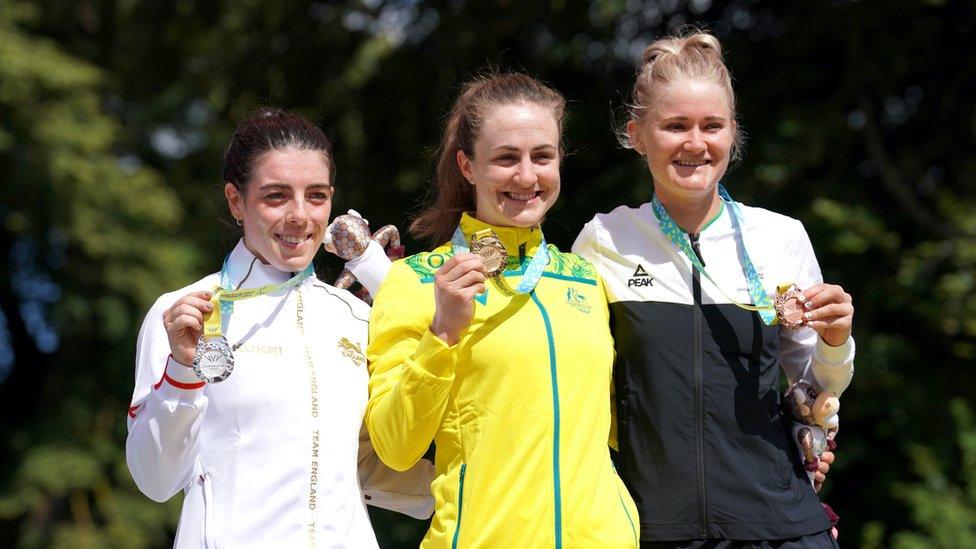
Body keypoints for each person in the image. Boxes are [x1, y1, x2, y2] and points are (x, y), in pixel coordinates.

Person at [572, 31, 854, 547]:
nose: (695, 143)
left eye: (712, 126)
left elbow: (818, 394)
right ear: (637, 135)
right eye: (675, 125)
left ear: (733, 133)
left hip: (781, 526)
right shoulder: (603, 240)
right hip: (653, 528)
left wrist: (837, 342)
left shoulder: (781, 235)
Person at [125, 108, 432, 548]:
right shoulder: (183, 315)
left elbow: (370, 465)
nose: (300, 216)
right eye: (276, 196)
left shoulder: (357, 317)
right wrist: (182, 372)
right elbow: (155, 480)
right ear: (236, 201)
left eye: (317, 196)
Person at [364, 74, 640, 548]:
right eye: (506, 158)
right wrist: (442, 332)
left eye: (543, 156)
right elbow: (395, 446)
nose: (527, 177)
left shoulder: (585, 278)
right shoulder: (417, 281)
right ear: (467, 166)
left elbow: (631, 424)